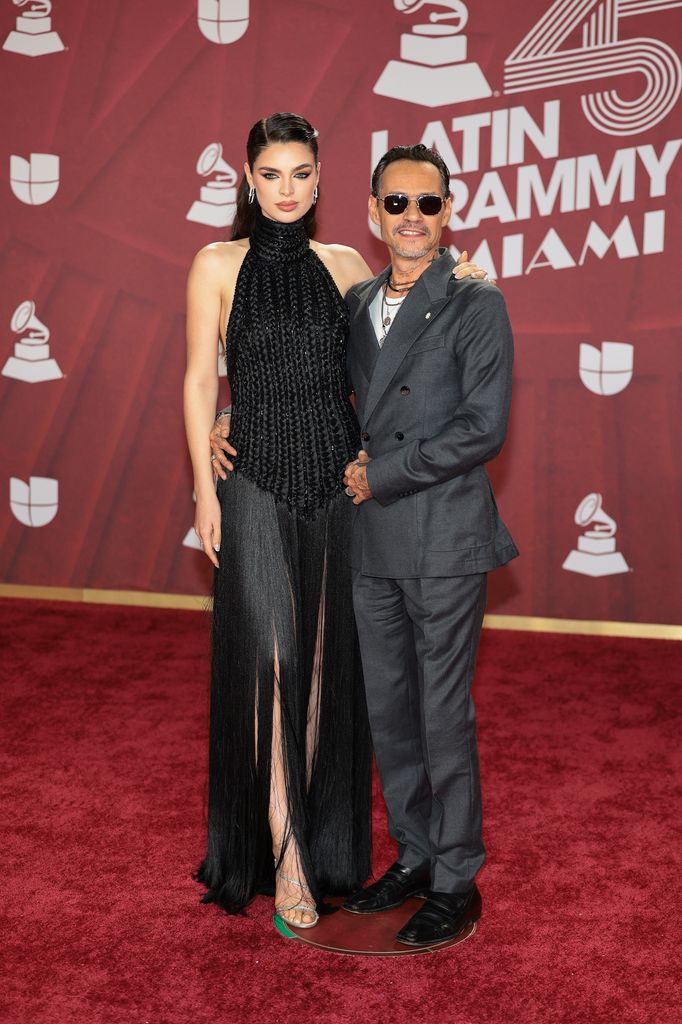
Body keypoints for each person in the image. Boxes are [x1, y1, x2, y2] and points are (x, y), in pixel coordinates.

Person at [192, 115, 490, 932]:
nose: (285, 189)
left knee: (325, 668)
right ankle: (286, 853)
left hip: (337, 486)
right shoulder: (216, 264)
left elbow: (391, 362)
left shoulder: (349, 266)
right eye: (270, 174)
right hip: (252, 483)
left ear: (322, 183)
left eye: (299, 174)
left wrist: (459, 276)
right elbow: (194, 378)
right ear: (247, 182)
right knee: (275, 665)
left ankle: (326, 847)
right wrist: (202, 479)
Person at [341, 144, 518, 947]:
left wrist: (387, 475)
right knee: (390, 711)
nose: (413, 217)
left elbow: (482, 429)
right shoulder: (355, 301)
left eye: (429, 203)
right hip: (372, 539)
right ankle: (413, 855)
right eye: (398, 203)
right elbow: (332, 399)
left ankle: (456, 876)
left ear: (449, 213)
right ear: (374, 213)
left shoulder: (477, 302)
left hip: (444, 534)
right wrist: (234, 417)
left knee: (442, 712)